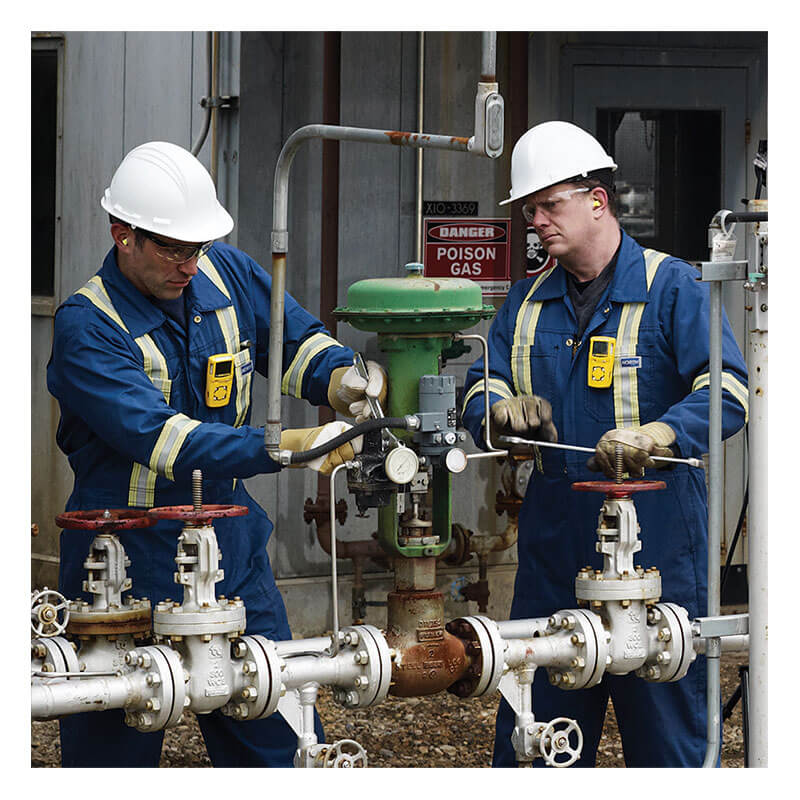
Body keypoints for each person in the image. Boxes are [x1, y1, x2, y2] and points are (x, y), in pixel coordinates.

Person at [46, 140, 387, 767]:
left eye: (197, 247)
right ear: (123, 234)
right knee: (111, 756)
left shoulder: (223, 272)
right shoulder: (85, 327)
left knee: (274, 741)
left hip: (232, 556)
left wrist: (342, 378)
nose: (188, 265)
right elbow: (163, 439)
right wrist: (286, 448)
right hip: (120, 568)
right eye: (173, 249)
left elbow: (295, 342)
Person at [461, 121, 748, 767]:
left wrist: (660, 431)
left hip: (660, 548)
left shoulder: (672, 287)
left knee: (667, 743)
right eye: (529, 210)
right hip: (554, 550)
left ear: (598, 199)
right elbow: (482, 383)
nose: (536, 221)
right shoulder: (528, 300)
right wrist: (499, 409)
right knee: (537, 742)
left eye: (549, 205)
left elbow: (730, 388)